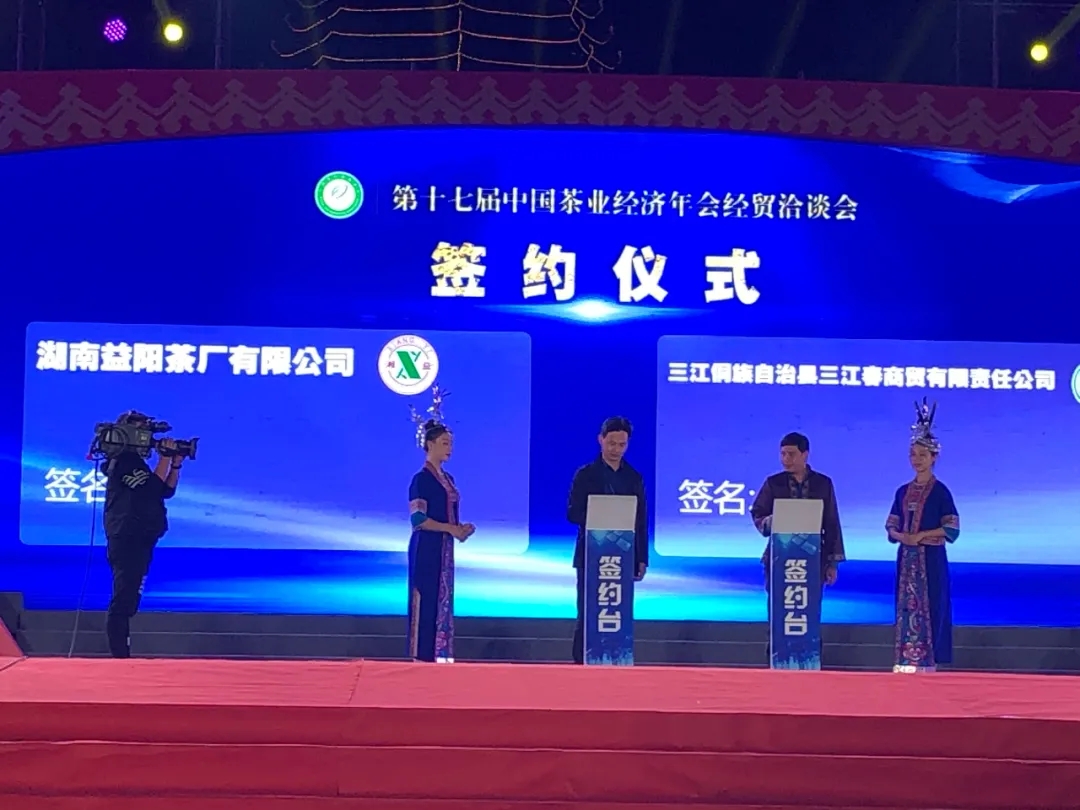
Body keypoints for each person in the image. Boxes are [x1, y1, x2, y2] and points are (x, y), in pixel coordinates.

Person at [566, 416, 648, 665]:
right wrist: (601, 512)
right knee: (589, 610)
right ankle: (581, 662)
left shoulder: (633, 477)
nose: (616, 449)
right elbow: (572, 513)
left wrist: (641, 558)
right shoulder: (586, 475)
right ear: (600, 440)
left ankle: (616, 659)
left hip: (622, 556)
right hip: (591, 554)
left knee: (618, 609)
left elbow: (640, 520)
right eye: (611, 443)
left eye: (622, 444)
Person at [886, 400, 960, 673]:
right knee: (905, 607)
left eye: (922, 455)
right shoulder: (902, 491)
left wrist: (920, 536)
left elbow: (952, 528)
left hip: (931, 560)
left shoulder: (941, 492)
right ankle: (905, 658)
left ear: (933, 458)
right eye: (913, 454)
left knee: (933, 605)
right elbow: (891, 525)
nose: (916, 459)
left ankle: (930, 661)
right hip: (907, 560)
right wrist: (901, 536)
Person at [103, 411, 182, 658]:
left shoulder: (135, 463)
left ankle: (121, 652)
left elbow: (164, 491)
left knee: (129, 597)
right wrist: (164, 458)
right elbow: (151, 489)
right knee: (124, 598)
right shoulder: (123, 462)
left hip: (141, 538)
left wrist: (175, 464)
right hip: (127, 538)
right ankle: (120, 654)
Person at [407, 419, 474, 663]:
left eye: (451, 444)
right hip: (426, 546)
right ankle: (421, 656)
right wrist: (451, 529)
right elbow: (418, 519)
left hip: (444, 547)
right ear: (430, 444)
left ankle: (441, 655)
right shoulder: (421, 479)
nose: (450, 448)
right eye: (445, 443)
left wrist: (460, 529)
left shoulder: (449, 478)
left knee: (442, 599)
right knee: (426, 597)